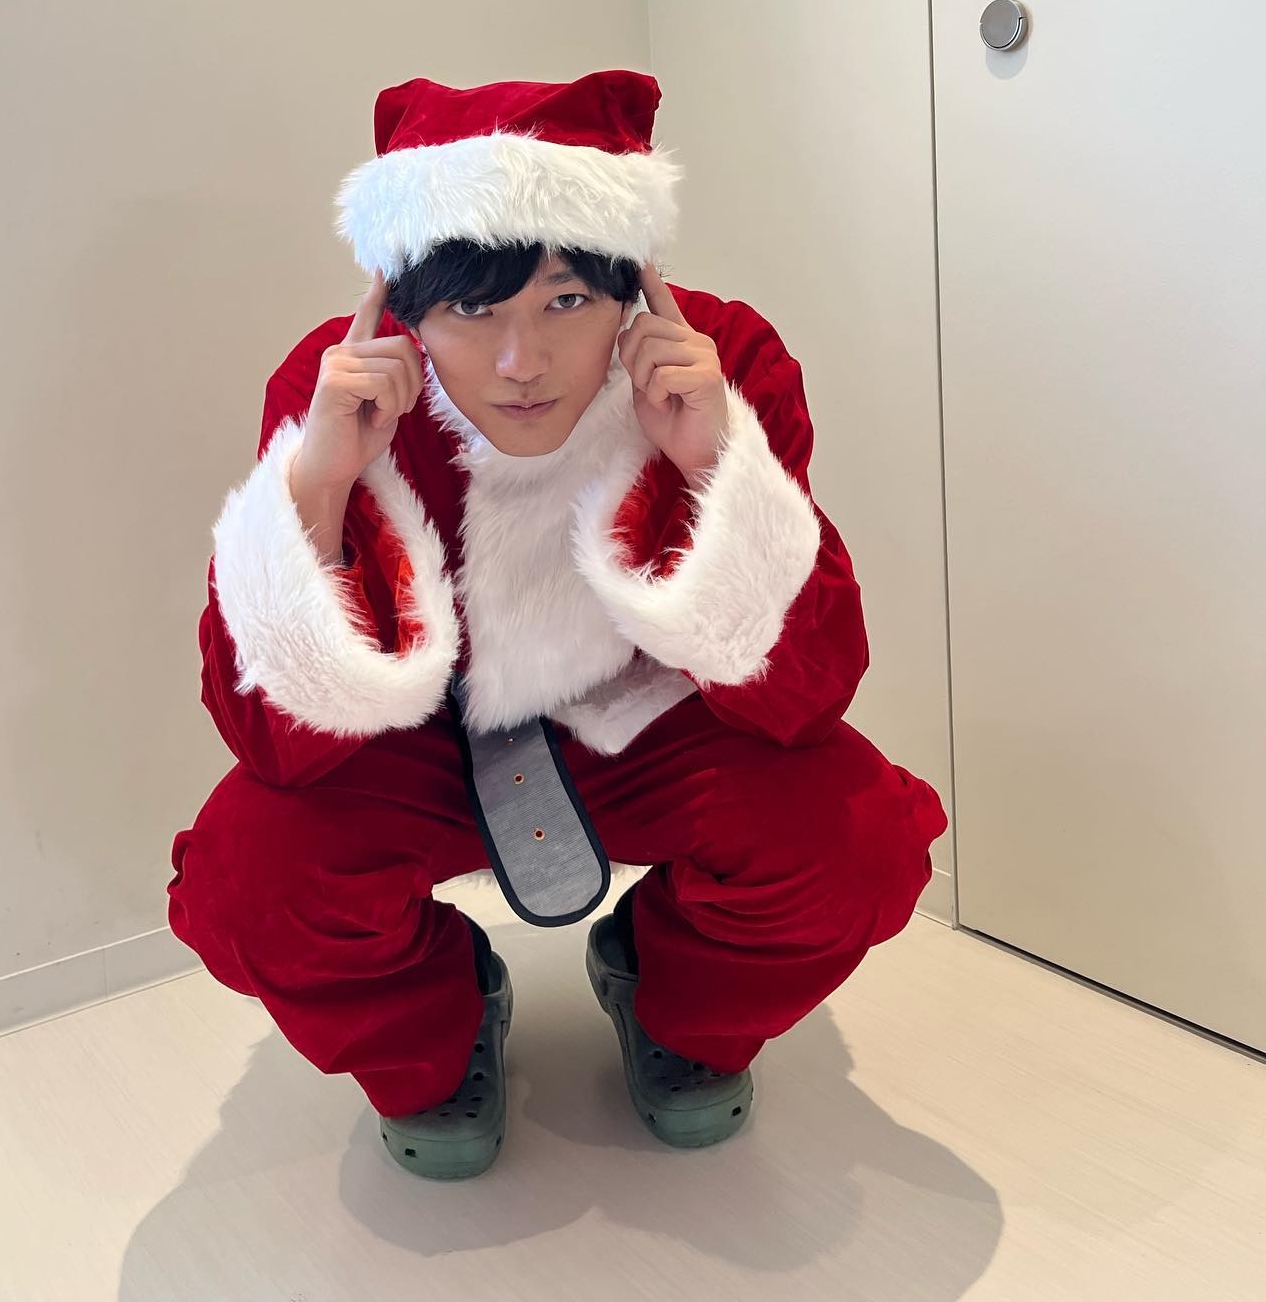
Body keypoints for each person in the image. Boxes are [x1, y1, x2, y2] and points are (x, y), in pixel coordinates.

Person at [166, 68, 949, 1180]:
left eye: (567, 302)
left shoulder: (721, 362)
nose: (521, 363)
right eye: (470, 310)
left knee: (856, 842)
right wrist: (318, 490)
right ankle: (437, 1025)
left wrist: (715, 465)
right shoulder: (338, 389)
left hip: (641, 717)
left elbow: (810, 698)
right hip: (422, 737)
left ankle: (669, 990)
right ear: (403, 305)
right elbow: (272, 749)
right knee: (248, 879)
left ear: (633, 283)